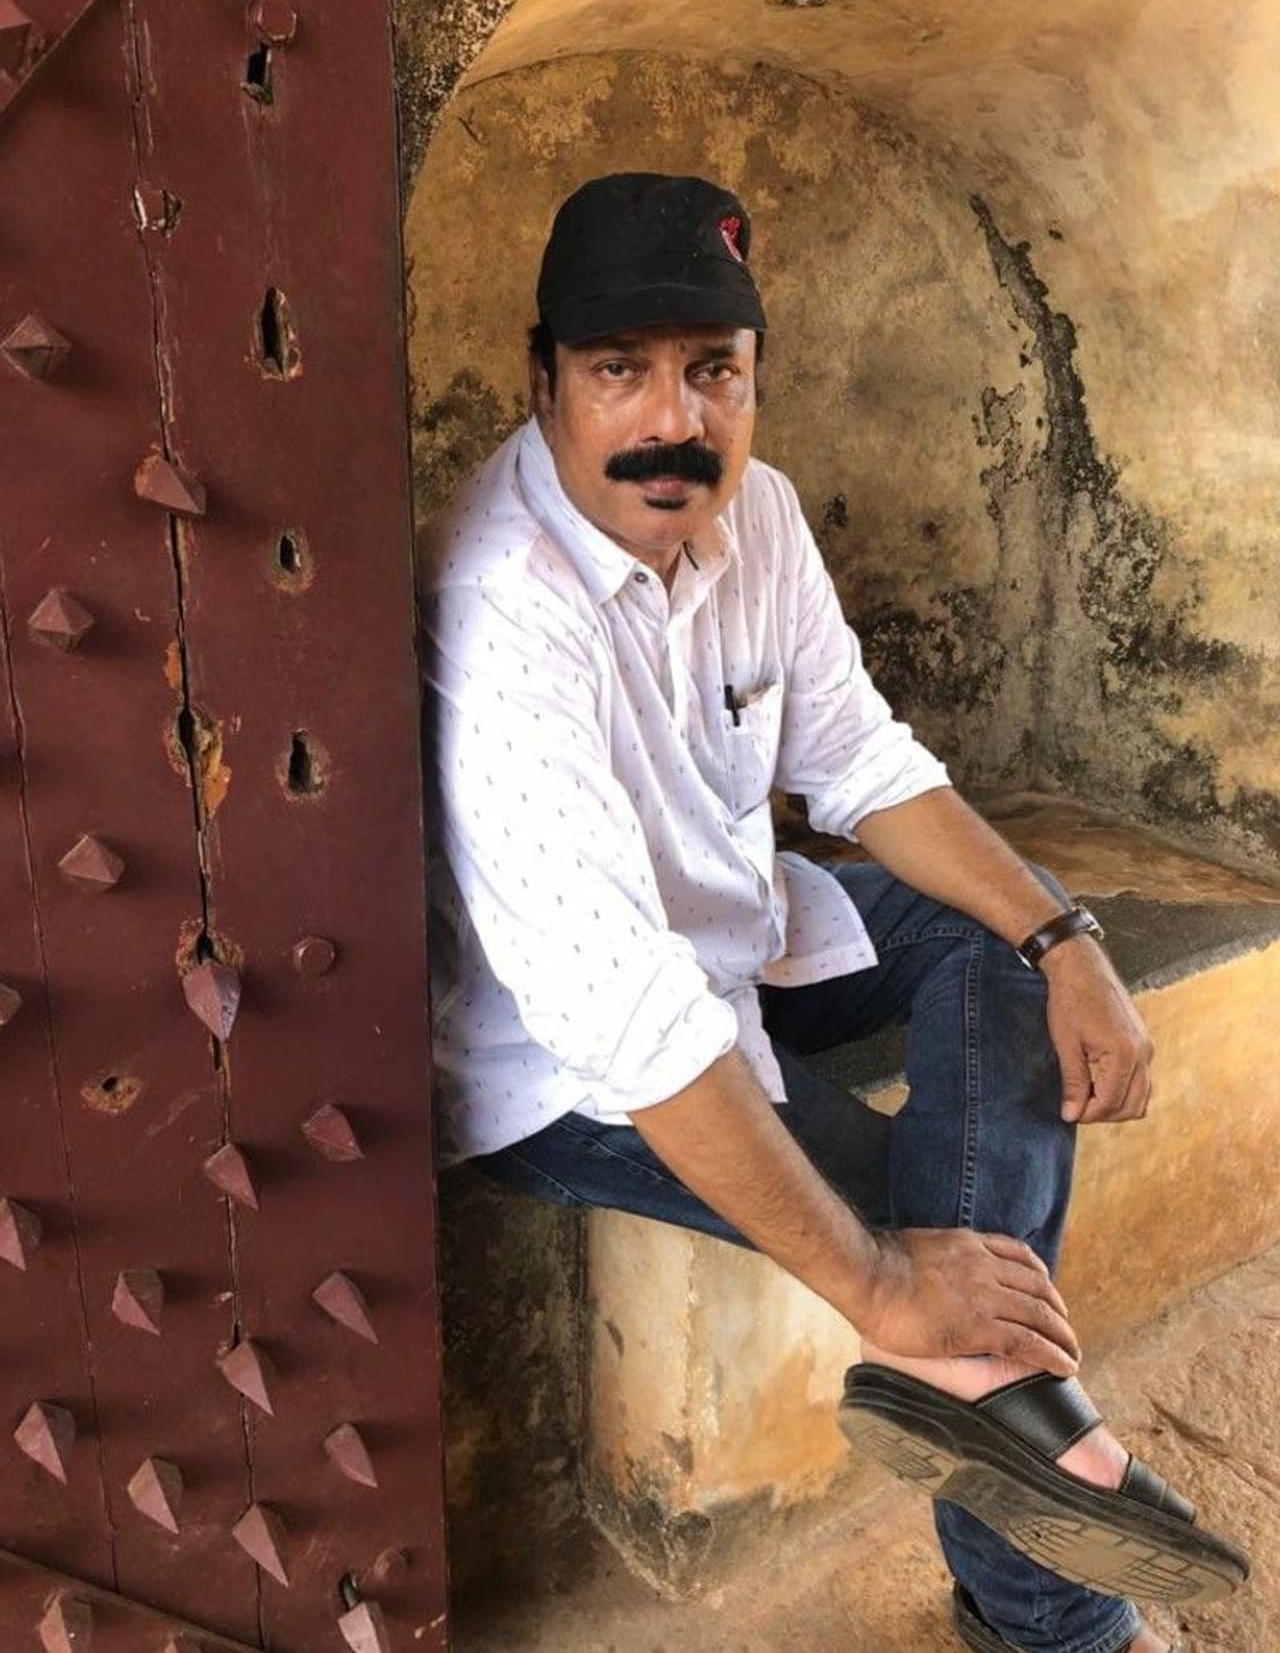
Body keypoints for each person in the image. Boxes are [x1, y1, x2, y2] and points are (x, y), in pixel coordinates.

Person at [422, 173, 1247, 1653]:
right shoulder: (505, 601)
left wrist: (1070, 939)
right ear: (539, 379)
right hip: (573, 1069)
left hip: (744, 938)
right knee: (941, 1250)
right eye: (618, 371)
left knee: (995, 944)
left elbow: (864, 763)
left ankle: (990, 1396)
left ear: (754, 377)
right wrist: (881, 1283)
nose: (674, 420)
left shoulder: (761, 514)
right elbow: (627, 1015)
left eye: (714, 372)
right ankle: (1053, 1604)